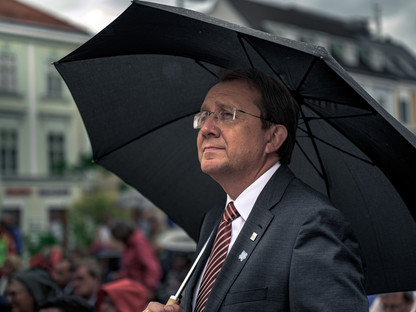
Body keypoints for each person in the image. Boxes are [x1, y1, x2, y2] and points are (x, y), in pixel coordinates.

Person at [144, 68, 368, 312]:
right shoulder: (214, 220)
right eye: (205, 115)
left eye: (226, 114)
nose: (207, 127)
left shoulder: (312, 223)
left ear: (273, 138)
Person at [109, 219, 162, 297]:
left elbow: (152, 267)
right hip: (131, 288)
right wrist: (120, 275)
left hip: (141, 290)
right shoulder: (128, 245)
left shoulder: (139, 243)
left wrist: (149, 288)